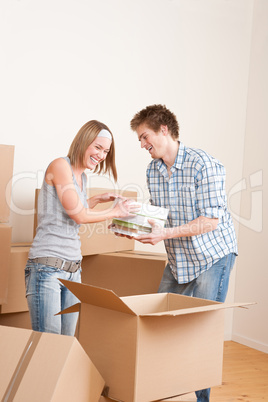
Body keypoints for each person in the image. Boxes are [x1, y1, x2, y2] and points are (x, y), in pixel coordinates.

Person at [129, 104, 238, 402]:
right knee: (158, 325)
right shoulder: (153, 169)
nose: (141, 144)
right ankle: (164, 393)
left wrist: (164, 233)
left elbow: (211, 221)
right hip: (178, 259)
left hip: (211, 258)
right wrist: (131, 222)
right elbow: (161, 216)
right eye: (139, 139)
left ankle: (199, 399)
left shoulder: (203, 164)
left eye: (144, 136)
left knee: (198, 332)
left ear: (164, 130)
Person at [25, 119, 139, 336]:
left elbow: (76, 208)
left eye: (106, 151)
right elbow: (78, 214)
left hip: (73, 271)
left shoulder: (82, 177)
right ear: (83, 141)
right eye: (98, 147)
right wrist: (116, 212)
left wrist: (98, 199)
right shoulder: (60, 166)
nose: (102, 155)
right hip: (47, 268)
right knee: (49, 346)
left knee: (66, 343)